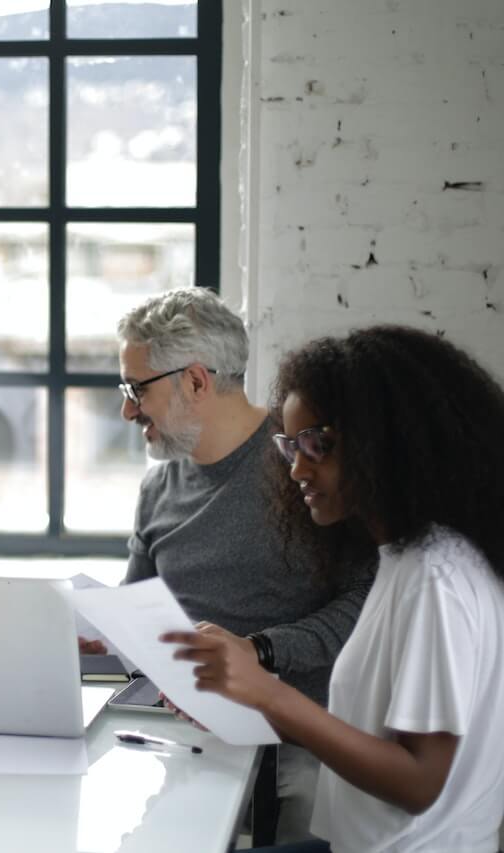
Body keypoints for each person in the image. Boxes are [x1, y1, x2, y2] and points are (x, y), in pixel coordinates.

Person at [165, 325, 504, 852]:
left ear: (389, 442)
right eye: (290, 445)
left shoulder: (436, 576)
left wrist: (265, 688)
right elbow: (366, 731)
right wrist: (236, 697)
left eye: (318, 444)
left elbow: (418, 783)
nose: (297, 468)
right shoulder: (406, 556)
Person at [107, 287, 372, 842]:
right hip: (182, 746)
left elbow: (366, 600)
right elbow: (133, 606)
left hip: (301, 753)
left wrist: (261, 652)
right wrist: (98, 634)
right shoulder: (159, 485)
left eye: (137, 390)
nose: (127, 410)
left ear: (196, 381)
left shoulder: (305, 469)